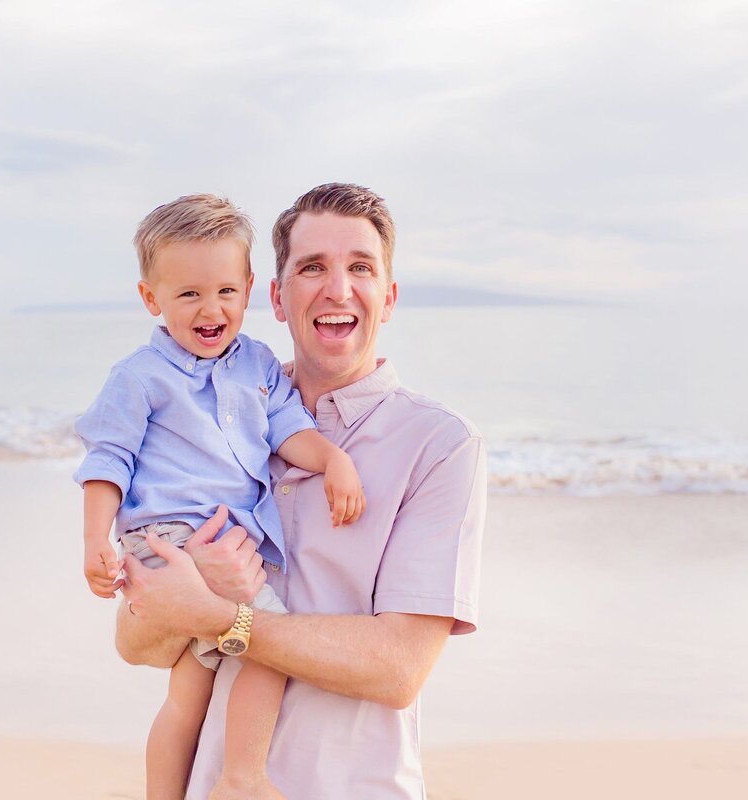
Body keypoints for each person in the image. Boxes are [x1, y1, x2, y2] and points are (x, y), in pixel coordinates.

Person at [116, 183, 487, 799]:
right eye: (312, 267)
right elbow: (136, 643)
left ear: (388, 298)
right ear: (278, 299)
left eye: (360, 268)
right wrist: (186, 583)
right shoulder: (210, 421)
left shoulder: (441, 445)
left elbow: (397, 669)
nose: (338, 289)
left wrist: (220, 616)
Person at [73, 194, 366, 800]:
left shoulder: (257, 363)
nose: (211, 310)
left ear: (252, 289)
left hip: (225, 543)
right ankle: (243, 778)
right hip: (170, 538)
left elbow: (291, 431)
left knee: (192, 683)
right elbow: (109, 460)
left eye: (226, 292)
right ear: (151, 299)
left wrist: (334, 459)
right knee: (269, 640)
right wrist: (93, 540)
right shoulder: (139, 377)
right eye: (188, 295)